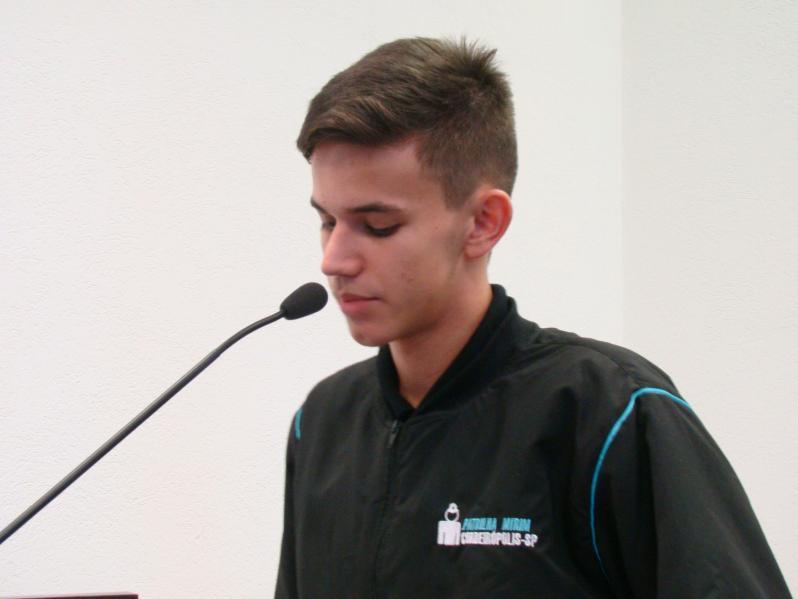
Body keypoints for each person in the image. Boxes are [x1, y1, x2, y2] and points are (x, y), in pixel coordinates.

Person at [274, 37, 791, 599]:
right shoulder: (321, 424)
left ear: (483, 223)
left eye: (377, 226)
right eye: (328, 221)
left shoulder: (608, 413)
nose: (334, 260)